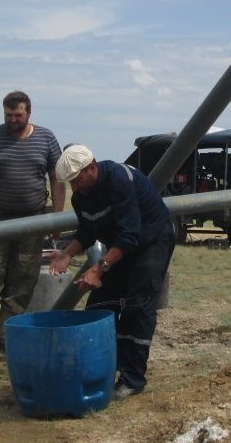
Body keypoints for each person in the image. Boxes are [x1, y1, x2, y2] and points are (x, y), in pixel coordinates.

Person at [48, 145, 175, 399]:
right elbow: (86, 232)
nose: (76, 187)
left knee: (137, 306)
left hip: (152, 241)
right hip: (122, 247)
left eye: (77, 179)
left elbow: (129, 235)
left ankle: (132, 379)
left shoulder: (118, 179)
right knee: (100, 304)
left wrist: (98, 268)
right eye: (70, 183)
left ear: (92, 167)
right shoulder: (80, 197)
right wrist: (66, 254)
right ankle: (104, 369)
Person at [0, 91, 64, 356]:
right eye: (8, 115)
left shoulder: (46, 138)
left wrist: (57, 215)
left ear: (28, 113)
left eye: (17, 115)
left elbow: (56, 178)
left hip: (32, 219)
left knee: (23, 277)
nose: (12, 120)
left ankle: (8, 334)